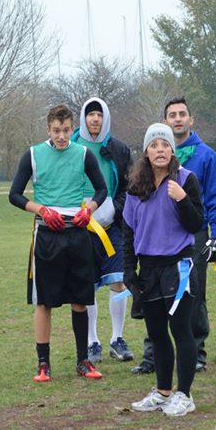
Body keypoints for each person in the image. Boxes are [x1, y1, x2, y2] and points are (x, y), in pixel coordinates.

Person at [8, 104, 109, 382]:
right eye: (56, 131)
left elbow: (102, 189)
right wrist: (41, 209)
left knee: (80, 299)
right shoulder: (32, 155)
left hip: (77, 231)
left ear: (72, 128)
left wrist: (89, 209)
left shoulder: (84, 154)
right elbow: (14, 195)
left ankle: (83, 361)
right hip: (47, 233)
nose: (62, 136)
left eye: (66, 130)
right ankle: (43, 363)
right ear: (48, 129)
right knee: (44, 301)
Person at [133, 97, 216, 375]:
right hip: (158, 239)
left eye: (182, 114)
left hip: (194, 234)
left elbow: (215, 199)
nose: (178, 119)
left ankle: (195, 351)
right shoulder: (152, 156)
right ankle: (153, 355)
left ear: (191, 119)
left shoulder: (206, 155)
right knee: (155, 295)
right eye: (172, 115)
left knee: (193, 295)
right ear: (165, 122)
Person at [124, 123, 204, 417]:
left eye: (165, 145)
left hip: (178, 266)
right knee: (156, 333)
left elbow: (196, 224)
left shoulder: (185, 179)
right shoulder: (136, 186)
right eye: (154, 145)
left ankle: (185, 394)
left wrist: (182, 199)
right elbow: (128, 232)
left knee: (181, 330)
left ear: (172, 150)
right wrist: (129, 271)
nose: (160, 150)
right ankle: (163, 391)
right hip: (149, 269)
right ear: (146, 151)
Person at [72, 97, 135, 365]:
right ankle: (92, 341)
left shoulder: (118, 149)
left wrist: (114, 209)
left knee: (118, 280)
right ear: (83, 118)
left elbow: (129, 186)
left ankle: (117, 339)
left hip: (113, 225)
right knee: (86, 285)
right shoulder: (71, 147)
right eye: (90, 114)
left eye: (99, 114)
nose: (95, 119)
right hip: (80, 226)